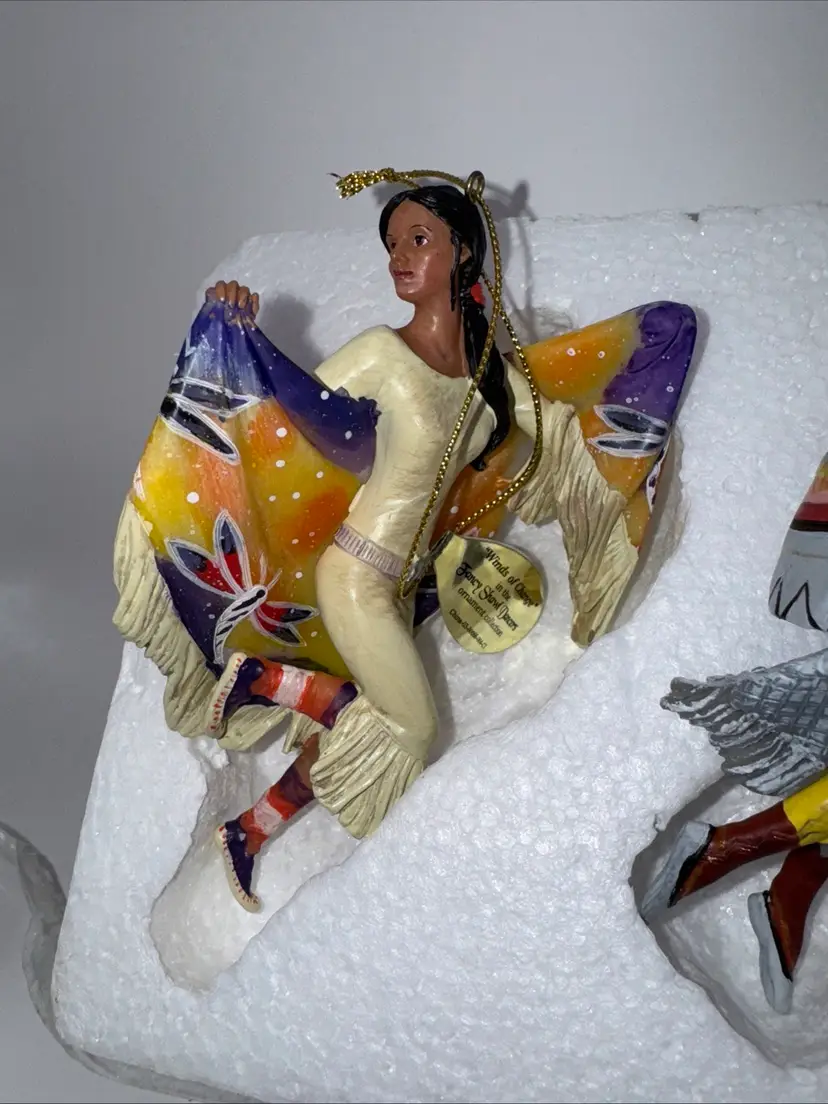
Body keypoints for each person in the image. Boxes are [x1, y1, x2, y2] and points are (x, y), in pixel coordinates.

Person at [114, 168, 696, 912]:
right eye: (392, 243)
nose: (398, 256)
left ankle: (249, 831)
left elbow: (558, 419)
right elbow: (286, 422)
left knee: (365, 714)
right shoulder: (380, 355)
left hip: (404, 585)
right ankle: (265, 679)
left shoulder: (490, 378)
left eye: (418, 239)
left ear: (463, 252)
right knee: (411, 727)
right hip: (354, 576)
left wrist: (647, 364)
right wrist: (234, 334)